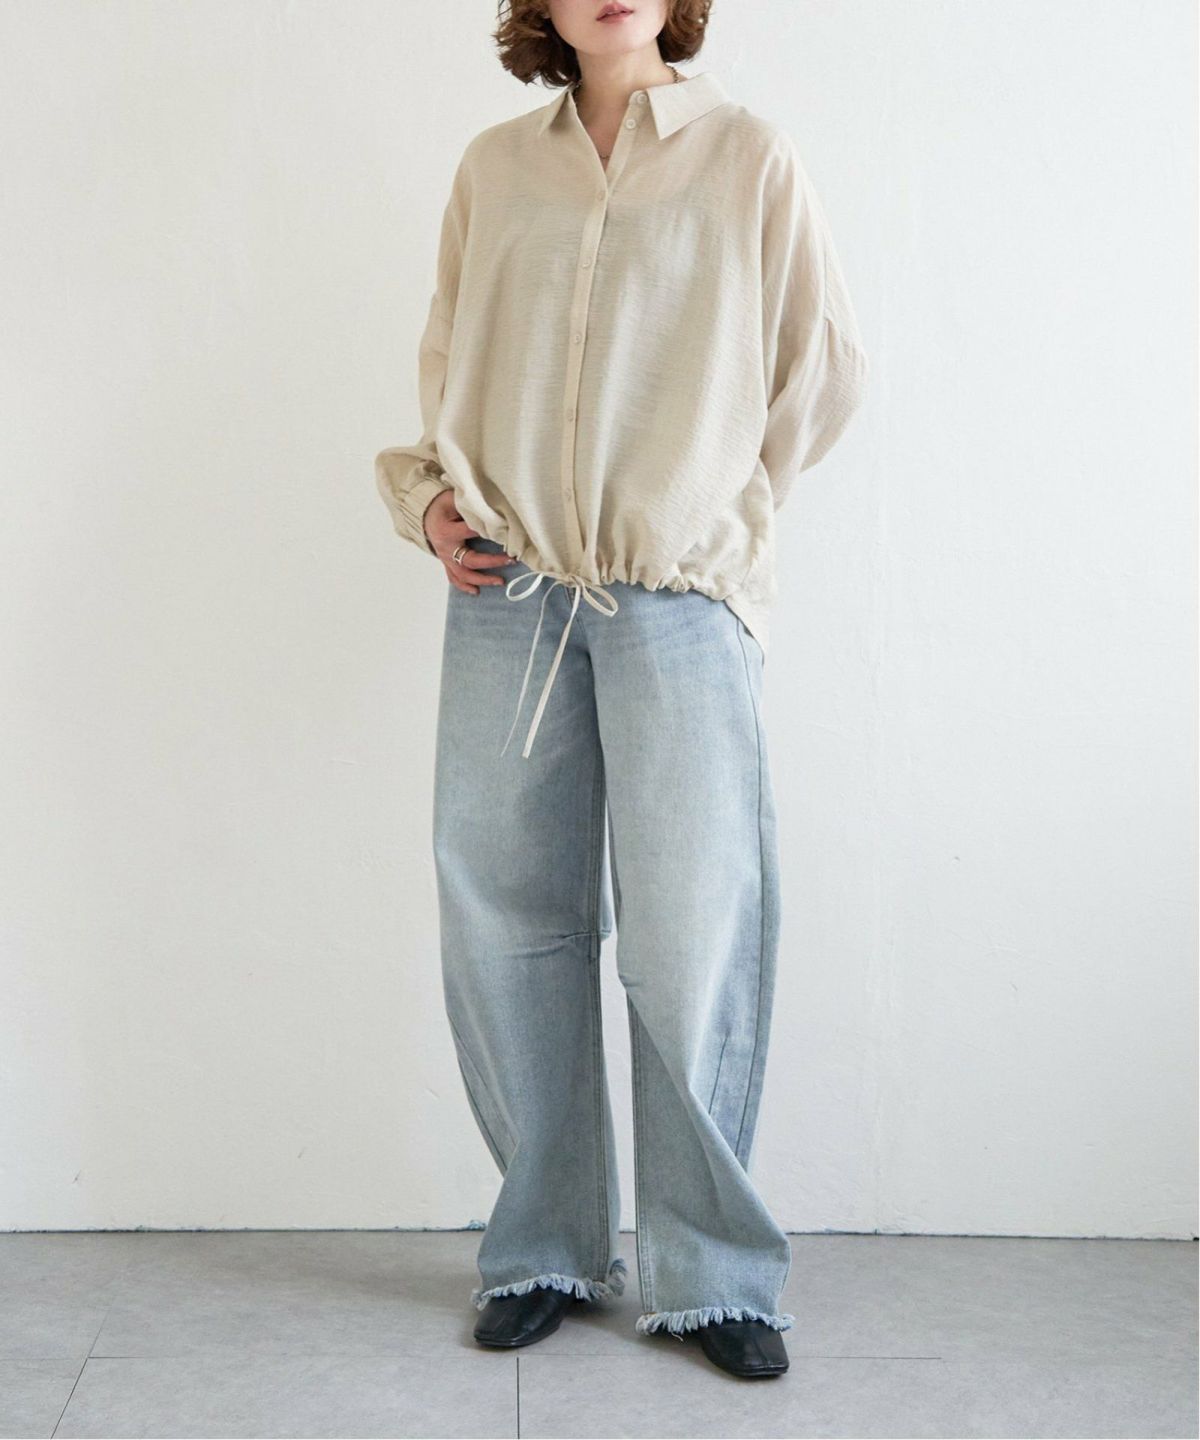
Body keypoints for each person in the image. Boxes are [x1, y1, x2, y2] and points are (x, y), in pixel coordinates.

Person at [374, 0, 867, 1380]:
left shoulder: (747, 155)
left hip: (675, 597)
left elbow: (821, 368)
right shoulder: (495, 169)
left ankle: (713, 1274)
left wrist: (710, 510)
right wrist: (430, 504)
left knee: (692, 929)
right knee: (506, 923)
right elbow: (448, 364)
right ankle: (542, 1245)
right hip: (507, 593)